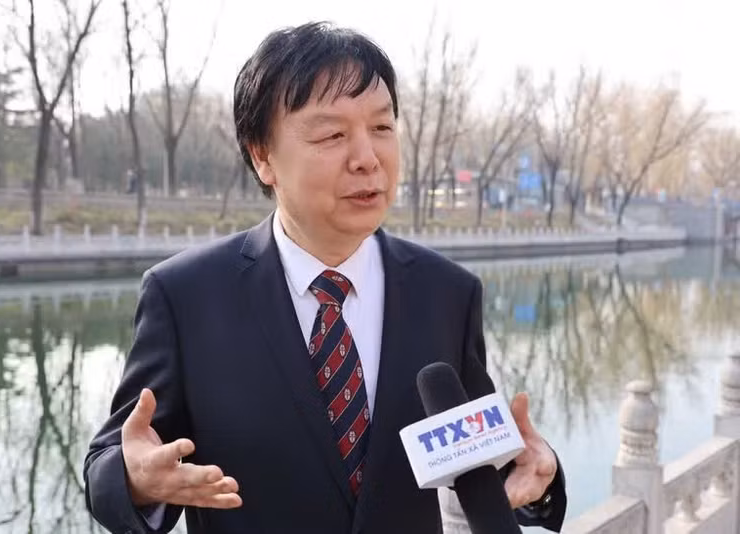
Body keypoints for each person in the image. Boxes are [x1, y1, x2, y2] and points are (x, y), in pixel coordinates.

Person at [83, 21, 567, 534]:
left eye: (382, 128)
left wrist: (530, 475)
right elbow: (113, 463)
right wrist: (134, 480)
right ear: (262, 155)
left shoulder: (447, 291)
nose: (367, 158)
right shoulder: (185, 296)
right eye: (333, 134)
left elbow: (476, 458)